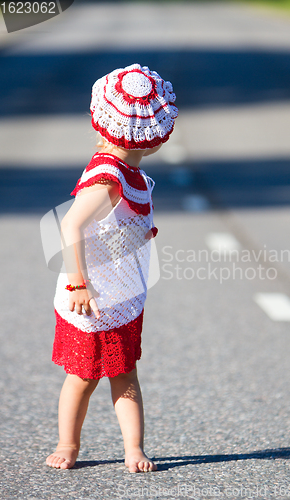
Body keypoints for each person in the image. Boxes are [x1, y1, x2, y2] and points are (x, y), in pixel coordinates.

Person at [45, 63, 178, 472]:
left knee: (125, 373)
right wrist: (78, 285)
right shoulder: (108, 178)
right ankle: (68, 443)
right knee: (82, 377)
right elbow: (70, 224)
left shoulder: (131, 173)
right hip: (89, 301)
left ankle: (134, 449)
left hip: (120, 299)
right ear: (155, 136)